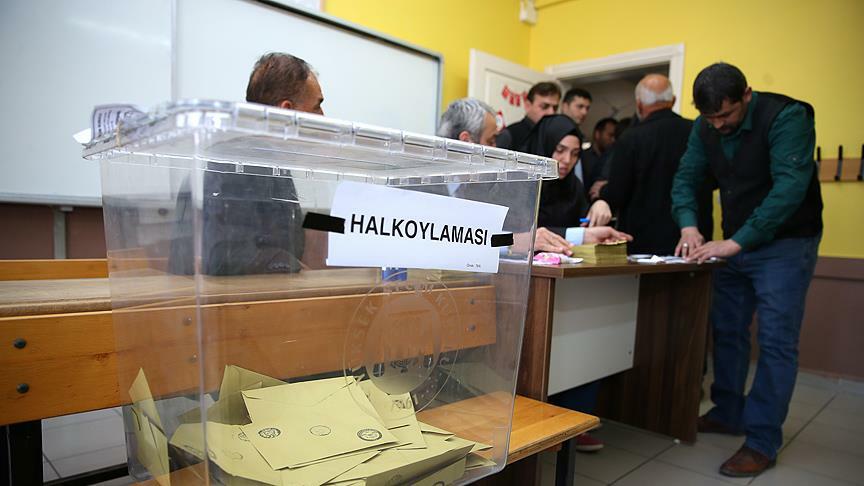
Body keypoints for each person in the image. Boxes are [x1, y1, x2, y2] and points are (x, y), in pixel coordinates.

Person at [671, 63, 823, 477]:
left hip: (786, 243)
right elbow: (686, 178)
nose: (718, 125)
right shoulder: (705, 127)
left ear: (747, 95)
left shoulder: (788, 117)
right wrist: (688, 225)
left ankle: (761, 440)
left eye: (726, 115)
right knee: (727, 329)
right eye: (710, 118)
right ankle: (728, 412)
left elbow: (790, 188)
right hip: (735, 241)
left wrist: (737, 242)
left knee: (776, 341)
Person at [170, 52, 324, 275]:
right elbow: (225, 257)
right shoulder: (237, 164)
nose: (323, 116)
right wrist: (293, 266)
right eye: (317, 106)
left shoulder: (267, 161)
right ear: (287, 112)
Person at [599, 74, 713, 255]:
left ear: (639, 105)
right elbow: (714, 179)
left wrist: (602, 192)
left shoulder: (631, 138)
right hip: (694, 242)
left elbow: (617, 193)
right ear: (673, 101)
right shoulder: (698, 131)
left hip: (644, 244)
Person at [522, 115, 618, 255]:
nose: (567, 160)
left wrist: (599, 204)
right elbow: (517, 235)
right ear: (545, 146)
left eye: (575, 154)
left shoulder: (573, 185)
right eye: (560, 150)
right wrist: (579, 235)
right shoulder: (520, 183)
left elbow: (583, 222)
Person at [495, 81, 561, 150]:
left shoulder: (555, 137)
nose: (551, 112)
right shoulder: (509, 135)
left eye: (555, 108)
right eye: (544, 106)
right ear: (527, 105)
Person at [582, 117, 618, 201]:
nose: (613, 140)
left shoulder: (615, 159)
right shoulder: (582, 157)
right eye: (610, 135)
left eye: (615, 136)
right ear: (597, 134)